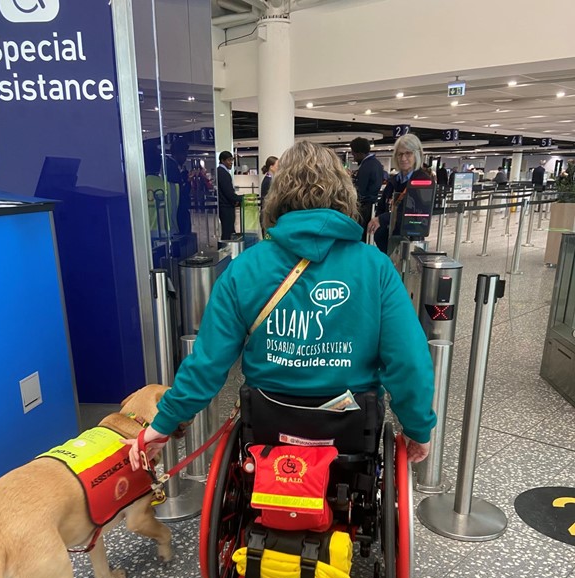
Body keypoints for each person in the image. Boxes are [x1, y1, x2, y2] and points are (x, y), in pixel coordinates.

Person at [125, 141, 436, 470]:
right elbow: (407, 360)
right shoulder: (375, 267)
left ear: (278, 194)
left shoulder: (246, 267)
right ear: (345, 193)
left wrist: (161, 427)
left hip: (267, 428)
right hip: (351, 430)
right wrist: (417, 427)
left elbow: (207, 364)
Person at [367, 133, 432, 254]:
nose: (403, 158)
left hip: (410, 240)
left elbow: (415, 213)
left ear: (416, 154)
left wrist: (382, 219)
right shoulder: (394, 180)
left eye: (408, 153)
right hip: (387, 240)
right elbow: (382, 206)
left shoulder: (423, 181)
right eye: (400, 154)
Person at [350, 137, 384, 242]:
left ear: (360, 153)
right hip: (371, 205)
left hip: (364, 207)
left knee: (359, 234)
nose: (353, 157)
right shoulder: (376, 164)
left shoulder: (366, 166)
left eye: (354, 154)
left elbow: (360, 190)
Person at [217, 150, 243, 240]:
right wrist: (240, 198)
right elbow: (228, 193)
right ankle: (226, 251)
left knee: (229, 230)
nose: (231, 162)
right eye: (229, 160)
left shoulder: (222, 172)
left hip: (226, 206)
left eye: (232, 160)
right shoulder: (222, 173)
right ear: (222, 160)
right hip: (226, 207)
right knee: (228, 232)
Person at [260, 156, 278, 235]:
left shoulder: (270, 179)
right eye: (277, 165)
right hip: (267, 214)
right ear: (271, 167)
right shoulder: (268, 181)